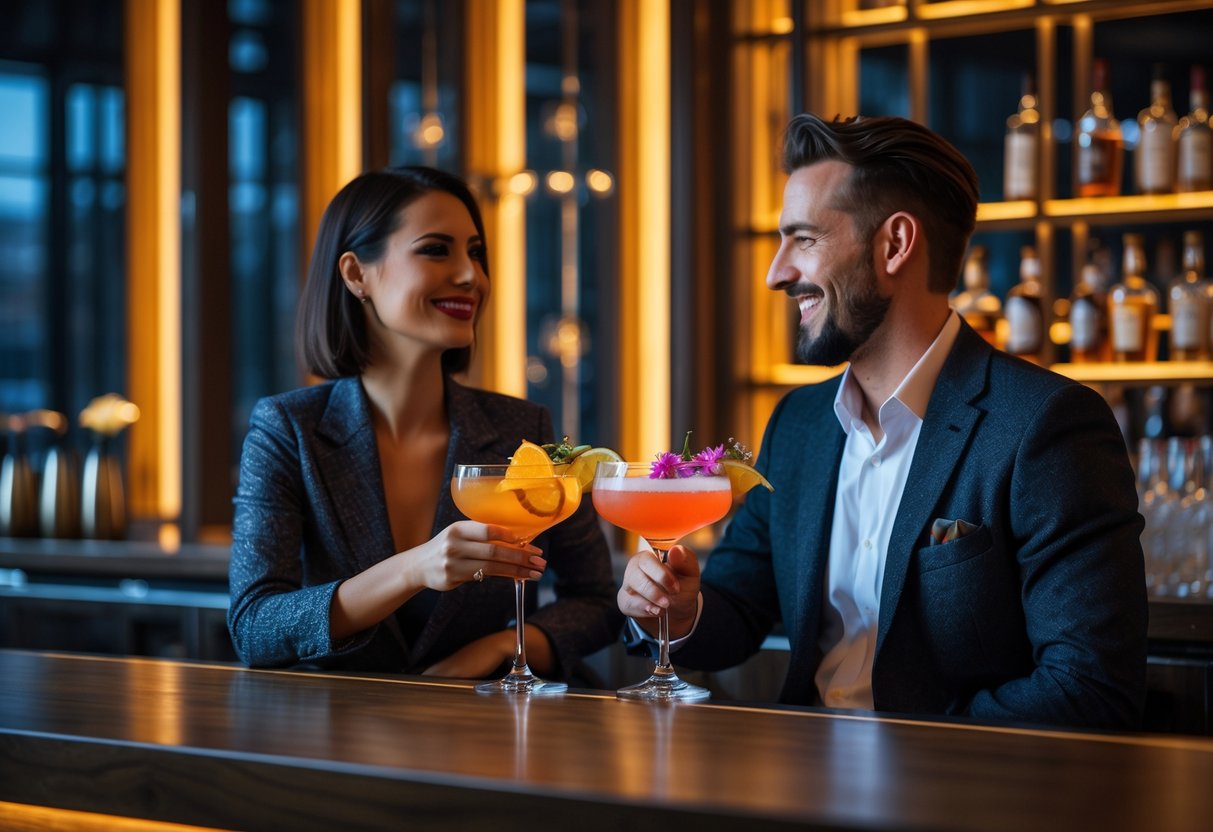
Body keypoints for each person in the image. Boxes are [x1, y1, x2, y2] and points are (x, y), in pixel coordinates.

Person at [618, 114, 1147, 729]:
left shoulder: (1047, 425)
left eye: (805, 239)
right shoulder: (799, 422)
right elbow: (736, 605)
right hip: (799, 792)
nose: (776, 273)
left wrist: (896, 753)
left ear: (895, 245)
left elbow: (1089, 690)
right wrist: (677, 612)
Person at [229, 165, 621, 680]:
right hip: (336, 738)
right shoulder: (288, 429)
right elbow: (254, 627)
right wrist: (414, 568)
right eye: (437, 249)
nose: (470, 276)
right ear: (356, 274)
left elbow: (595, 601)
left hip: (487, 732)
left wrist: (499, 649)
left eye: (475, 253)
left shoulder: (523, 427)